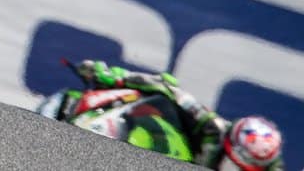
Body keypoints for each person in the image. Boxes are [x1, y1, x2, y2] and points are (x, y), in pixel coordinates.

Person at [66, 59, 285, 170]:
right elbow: (168, 88)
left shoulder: (271, 166)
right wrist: (117, 77)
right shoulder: (213, 128)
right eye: (233, 163)